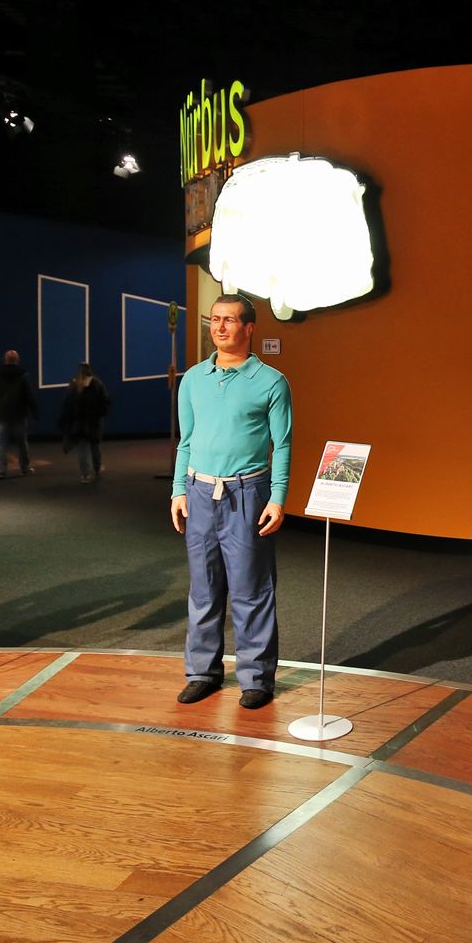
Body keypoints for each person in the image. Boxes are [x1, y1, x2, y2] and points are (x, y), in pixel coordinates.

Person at [169, 294, 291, 708]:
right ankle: (202, 672)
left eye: (230, 320)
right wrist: (178, 490)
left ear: (249, 327)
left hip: (247, 493)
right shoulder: (193, 379)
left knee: (251, 588)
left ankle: (256, 678)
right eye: (215, 319)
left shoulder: (271, 382)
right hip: (199, 492)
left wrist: (277, 497)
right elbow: (186, 440)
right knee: (203, 589)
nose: (219, 327)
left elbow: (282, 444)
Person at [0, 349, 36, 478]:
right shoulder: (22, 375)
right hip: (19, 413)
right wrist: (35, 411)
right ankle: (25, 468)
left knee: (1, 442)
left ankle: (2, 471)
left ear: (5, 360)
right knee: (22, 442)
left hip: (0, 413)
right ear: (17, 360)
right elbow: (28, 395)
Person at [59, 362, 112, 483]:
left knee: (82, 449)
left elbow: (67, 404)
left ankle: (85, 475)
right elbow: (105, 400)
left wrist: (67, 421)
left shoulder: (73, 384)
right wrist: (100, 414)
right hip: (94, 421)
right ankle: (97, 468)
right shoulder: (97, 383)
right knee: (95, 445)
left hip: (79, 423)